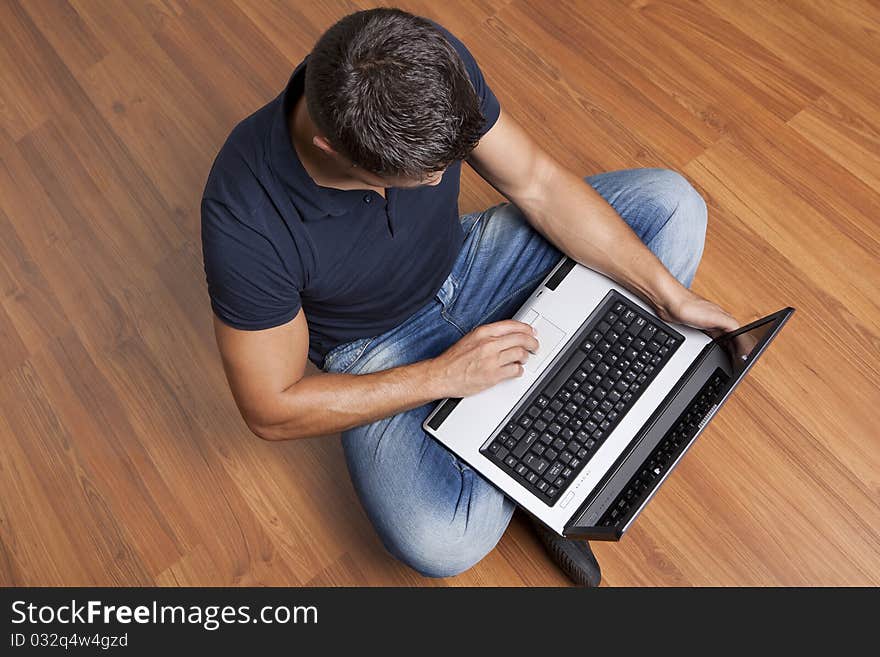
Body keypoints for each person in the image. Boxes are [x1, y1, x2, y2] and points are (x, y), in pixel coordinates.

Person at [201, 8, 740, 586]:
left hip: (471, 260)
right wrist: (444, 378)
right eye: (421, 175)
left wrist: (667, 296)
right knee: (439, 539)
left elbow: (533, 180)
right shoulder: (244, 219)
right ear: (332, 148)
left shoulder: (422, 61)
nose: (440, 182)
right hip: (376, 349)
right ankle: (540, 446)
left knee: (672, 202)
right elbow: (272, 408)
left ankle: (530, 444)